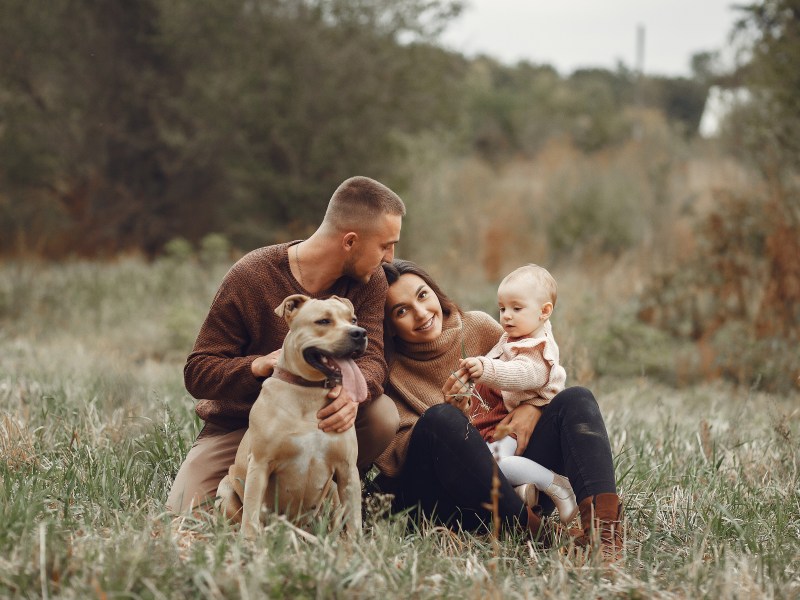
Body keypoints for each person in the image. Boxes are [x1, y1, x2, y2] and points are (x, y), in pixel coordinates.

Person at [167, 176, 405, 515]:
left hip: (324, 415)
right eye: (385, 245)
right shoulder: (252, 275)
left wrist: (355, 391)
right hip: (244, 425)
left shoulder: (370, 281)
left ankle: (325, 493)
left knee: (382, 416)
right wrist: (257, 366)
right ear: (350, 241)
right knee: (185, 511)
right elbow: (198, 371)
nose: (390, 258)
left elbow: (373, 357)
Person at [374, 259, 623, 561]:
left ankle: (604, 535)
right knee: (441, 418)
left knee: (577, 399)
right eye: (401, 311)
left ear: (435, 292)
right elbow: (396, 460)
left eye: (423, 295)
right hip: (456, 499)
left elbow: (535, 370)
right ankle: (536, 532)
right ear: (389, 326)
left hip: (518, 471)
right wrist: (454, 418)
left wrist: (533, 407)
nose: (422, 312)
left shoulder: (478, 326)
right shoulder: (390, 371)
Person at [456, 264, 576, 525]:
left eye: (516, 309)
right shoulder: (512, 338)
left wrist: (484, 368)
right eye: (502, 309)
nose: (506, 316)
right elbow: (496, 359)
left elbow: (521, 374)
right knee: (480, 465)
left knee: (494, 467)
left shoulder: (539, 347)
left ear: (544, 312)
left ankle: (557, 485)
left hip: (513, 424)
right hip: (494, 421)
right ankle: (522, 494)